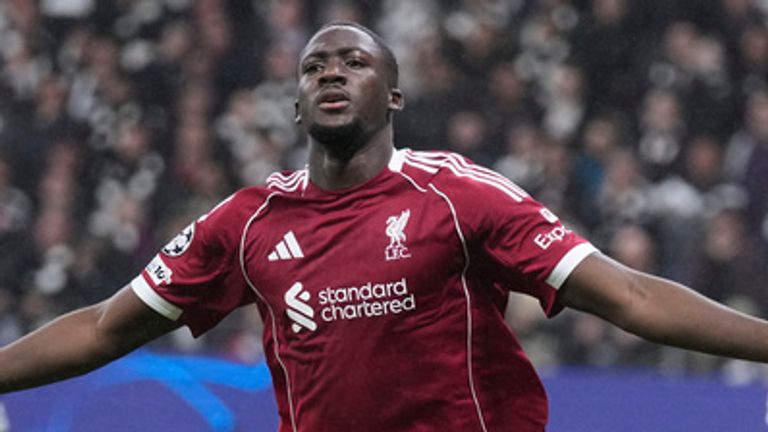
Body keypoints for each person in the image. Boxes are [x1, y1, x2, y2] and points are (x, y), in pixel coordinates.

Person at [1, 21, 768, 432]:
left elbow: (629, 296)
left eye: (354, 63)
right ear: (297, 105)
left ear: (394, 98)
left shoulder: (459, 198)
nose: (331, 72)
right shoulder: (247, 223)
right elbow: (106, 328)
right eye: (314, 67)